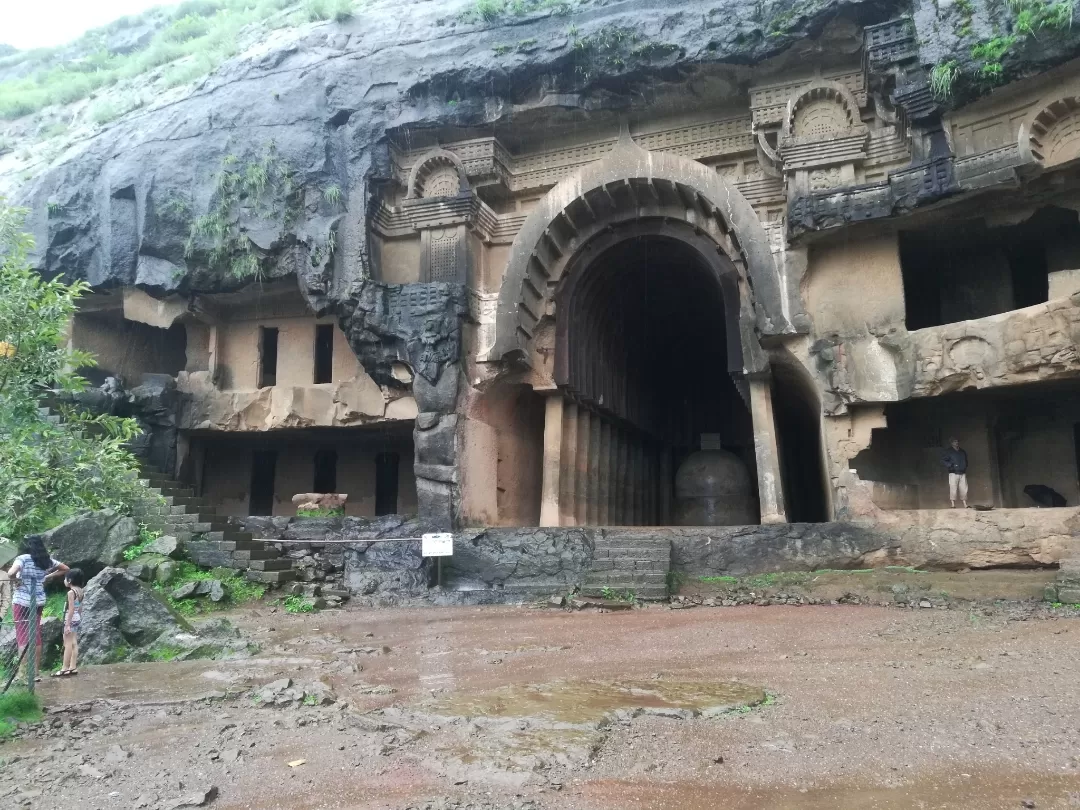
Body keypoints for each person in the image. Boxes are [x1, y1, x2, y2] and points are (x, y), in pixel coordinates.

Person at [8, 536, 68, 677]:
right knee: (36, 635)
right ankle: (35, 672)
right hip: (38, 600)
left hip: (21, 601)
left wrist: (16, 580)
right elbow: (65, 568)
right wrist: (47, 576)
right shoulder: (45, 560)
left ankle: (23, 674)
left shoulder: (22, 558)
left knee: (22, 636)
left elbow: (10, 573)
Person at [54, 569, 85, 677]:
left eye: (65, 578)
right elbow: (79, 607)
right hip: (76, 618)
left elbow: (71, 609)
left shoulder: (71, 592)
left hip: (70, 618)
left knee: (67, 644)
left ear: (70, 580)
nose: (64, 581)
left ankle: (64, 668)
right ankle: (73, 666)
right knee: (73, 642)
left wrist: (67, 624)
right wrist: (78, 617)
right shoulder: (80, 591)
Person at [940, 438, 968, 508]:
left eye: (957, 441)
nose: (956, 443)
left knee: (964, 488)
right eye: (955, 441)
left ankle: (965, 504)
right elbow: (943, 460)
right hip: (953, 473)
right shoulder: (949, 451)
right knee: (953, 488)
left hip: (962, 472)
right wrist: (951, 465)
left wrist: (964, 466)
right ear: (951, 443)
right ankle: (953, 504)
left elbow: (966, 460)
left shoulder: (962, 451)